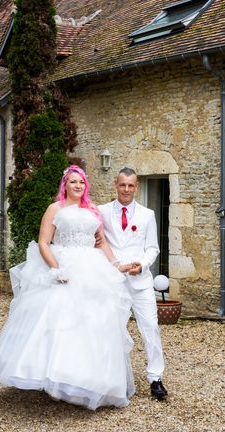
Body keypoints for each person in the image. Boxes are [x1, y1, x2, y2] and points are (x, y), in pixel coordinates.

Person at [0, 165, 136, 410]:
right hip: (63, 266)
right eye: (73, 182)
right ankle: (54, 375)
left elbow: (102, 243)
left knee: (94, 323)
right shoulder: (54, 209)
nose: (78, 186)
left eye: (82, 182)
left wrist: (116, 264)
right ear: (65, 185)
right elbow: (44, 243)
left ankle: (88, 379)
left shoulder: (93, 210)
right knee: (57, 321)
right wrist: (57, 269)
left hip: (91, 268)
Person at [97, 167, 168, 400]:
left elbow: (153, 248)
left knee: (150, 328)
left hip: (140, 282)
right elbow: (97, 243)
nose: (126, 189)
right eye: (122, 184)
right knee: (111, 330)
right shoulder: (102, 212)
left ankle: (155, 378)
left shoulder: (148, 215)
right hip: (113, 282)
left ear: (136, 187)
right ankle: (111, 377)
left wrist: (143, 265)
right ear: (115, 185)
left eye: (131, 185)